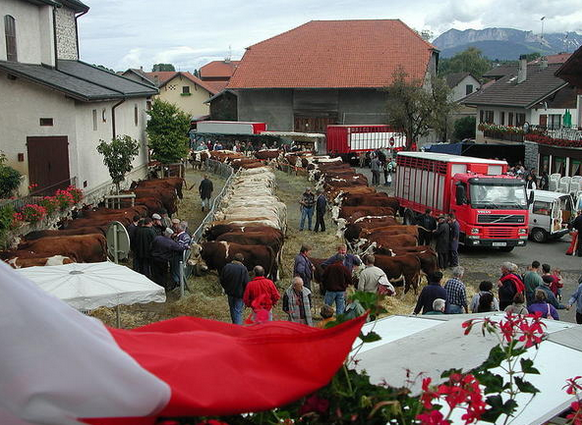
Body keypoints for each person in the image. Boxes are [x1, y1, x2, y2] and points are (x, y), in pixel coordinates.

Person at [219, 253, 250, 325]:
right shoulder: (243, 269)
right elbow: (246, 283)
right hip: (239, 294)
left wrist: (226, 288)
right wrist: (247, 295)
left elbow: (222, 279)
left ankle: (234, 325)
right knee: (238, 311)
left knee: (232, 310)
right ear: (242, 260)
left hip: (230, 293)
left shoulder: (227, 267)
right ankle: (237, 328)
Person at [170, 222, 192, 287]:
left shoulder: (183, 236)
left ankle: (177, 283)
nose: (176, 228)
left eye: (178, 227)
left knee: (176, 269)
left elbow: (181, 247)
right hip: (177, 255)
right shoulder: (181, 235)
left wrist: (172, 245)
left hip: (178, 256)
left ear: (180, 229)